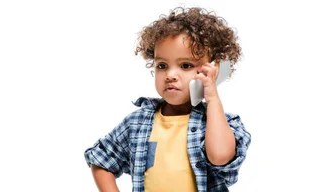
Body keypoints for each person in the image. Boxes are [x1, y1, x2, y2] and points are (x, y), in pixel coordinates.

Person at [83, 6, 252, 192]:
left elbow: (220, 156)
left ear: (214, 70)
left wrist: (212, 98)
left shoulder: (223, 124)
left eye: (185, 65)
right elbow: (100, 159)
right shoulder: (137, 123)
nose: (170, 75)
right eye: (162, 65)